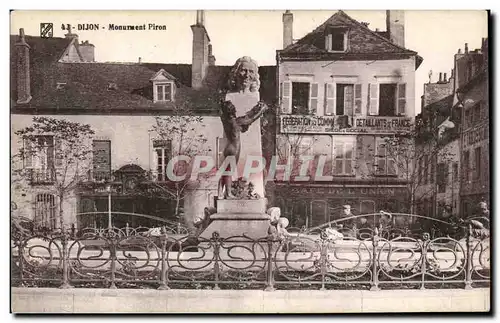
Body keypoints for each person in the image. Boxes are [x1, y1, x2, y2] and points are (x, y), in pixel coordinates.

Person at [219, 99, 267, 198]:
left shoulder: (225, 119)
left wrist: (255, 109)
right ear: (233, 111)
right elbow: (250, 119)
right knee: (229, 171)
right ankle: (228, 194)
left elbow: (246, 118)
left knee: (226, 170)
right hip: (234, 148)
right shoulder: (236, 121)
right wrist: (261, 110)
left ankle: (223, 193)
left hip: (228, 147)